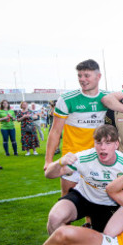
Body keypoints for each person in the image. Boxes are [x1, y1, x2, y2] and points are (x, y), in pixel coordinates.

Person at [44, 125, 123, 234]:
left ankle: (91, 230)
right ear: (94, 144)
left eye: (108, 143)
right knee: (55, 218)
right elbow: (49, 174)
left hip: (109, 204)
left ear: (116, 145)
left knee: (105, 240)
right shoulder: (83, 158)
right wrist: (60, 162)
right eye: (98, 143)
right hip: (84, 197)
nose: (102, 147)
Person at [45, 59, 108, 196]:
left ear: (98, 76)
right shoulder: (67, 99)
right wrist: (48, 161)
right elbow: (55, 132)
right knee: (67, 200)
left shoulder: (108, 99)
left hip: (97, 159)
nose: (82, 79)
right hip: (72, 158)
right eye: (80, 75)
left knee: (94, 203)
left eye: (87, 75)